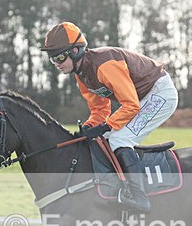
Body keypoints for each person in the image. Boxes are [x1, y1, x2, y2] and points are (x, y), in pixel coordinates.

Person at [41, 22, 178, 213]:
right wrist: (89, 128)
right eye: (52, 59)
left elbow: (130, 104)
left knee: (120, 138)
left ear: (76, 51)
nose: (57, 63)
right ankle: (116, 187)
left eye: (60, 56)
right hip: (141, 98)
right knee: (103, 139)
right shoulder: (82, 75)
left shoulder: (105, 65)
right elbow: (100, 109)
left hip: (160, 93)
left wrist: (106, 126)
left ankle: (140, 197)